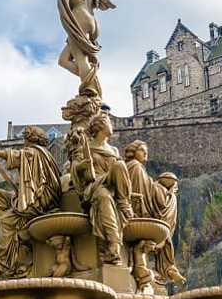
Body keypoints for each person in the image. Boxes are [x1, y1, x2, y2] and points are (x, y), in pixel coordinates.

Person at [0, 126, 61, 278]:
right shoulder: (45, 154)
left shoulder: (33, 152)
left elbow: (16, 155)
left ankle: (3, 265)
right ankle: (13, 233)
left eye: (25, 137)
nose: (23, 140)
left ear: (29, 138)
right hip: (29, 197)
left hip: (37, 202)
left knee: (6, 221)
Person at [70, 113, 133, 264]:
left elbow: (120, 173)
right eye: (109, 122)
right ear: (100, 126)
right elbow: (73, 170)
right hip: (95, 186)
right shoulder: (86, 147)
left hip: (112, 185)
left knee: (119, 164)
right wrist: (81, 166)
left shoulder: (114, 150)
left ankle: (124, 204)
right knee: (104, 197)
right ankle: (114, 245)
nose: (112, 125)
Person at [48, 0, 115, 97]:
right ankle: (91, 80)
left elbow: (64, 4)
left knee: (80, 58)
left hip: (79, 19)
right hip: (91, 22)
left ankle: (89, 91)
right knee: (63, 60)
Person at [124, 140, 185, 284]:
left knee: (165, 219)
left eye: (146, 152)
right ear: (134, 152)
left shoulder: (136, 168)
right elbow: (145, 191)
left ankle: (168, 267)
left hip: (138, 206)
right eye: (142, 151)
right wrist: (167, 192)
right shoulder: (136, 167)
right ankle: (167, 267)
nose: (146, 154)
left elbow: (148, 187)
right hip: (138, 209)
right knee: (170, 203)